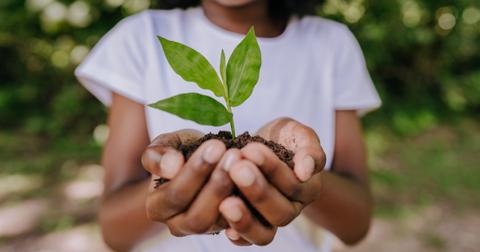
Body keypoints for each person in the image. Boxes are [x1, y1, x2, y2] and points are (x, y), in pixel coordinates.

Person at [75, 0, 381, 251]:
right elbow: (114, 230)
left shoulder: (331, 45)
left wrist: (302, 178)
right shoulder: (140, 38)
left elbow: (356, 224)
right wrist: (177, 181)